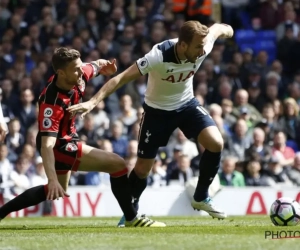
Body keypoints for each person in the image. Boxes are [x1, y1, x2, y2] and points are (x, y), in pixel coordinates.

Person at [67, 21, 234, 226]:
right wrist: (93, 102)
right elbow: (120, 79)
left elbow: (218, 28)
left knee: (216, 142)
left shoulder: (203, 44)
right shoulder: (158, 56)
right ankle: (129, 214)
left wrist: (228, 30)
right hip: (157, 111)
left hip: (186, 104)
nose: (202, 51)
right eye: (197, 47)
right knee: (143, 168)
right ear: (182, 45)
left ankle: (200, 197)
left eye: (203, 46)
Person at [0, 47, 165, 228]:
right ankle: (132, 218)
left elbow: (96, 65)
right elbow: (47, 145)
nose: (81, 71)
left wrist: (105, 67)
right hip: (59, 146)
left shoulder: (78, 74)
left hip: (67, 138)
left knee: (55, 190)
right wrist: (52, 177)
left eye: (80, 66)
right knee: (117, 164)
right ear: (61, 73)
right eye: (76, 69)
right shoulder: (52, 102)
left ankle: (1, 212)